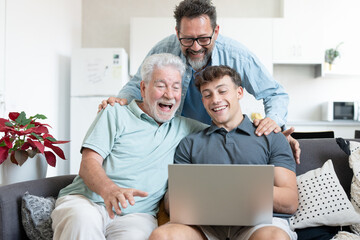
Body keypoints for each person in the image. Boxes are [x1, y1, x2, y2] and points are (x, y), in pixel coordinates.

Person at [98, 0, 301, 163]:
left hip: (218, 138)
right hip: (177, 136)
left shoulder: (237, 55)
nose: (196, 47)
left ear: (216, 31)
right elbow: (137, 84)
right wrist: (120, 101)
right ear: (177, 33)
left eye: (204, 39)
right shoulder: (164, 49)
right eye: (187, 39)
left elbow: (274, 93)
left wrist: (273, 124)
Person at [51, 53, 207, 240]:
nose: (169, 94)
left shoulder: (186, 128)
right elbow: (88, 162)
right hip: (88, 202)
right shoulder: (114, 113)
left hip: (137, 215)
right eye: (160, 85)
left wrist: (253, 123)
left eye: (176, 87)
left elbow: (227, 129)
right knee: (81, 220)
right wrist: (110, 190)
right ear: (143, 88)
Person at [149, 65, 299, 240]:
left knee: (274, 238)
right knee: (163, 236)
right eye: (207, 95)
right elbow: (172, 203)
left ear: (239, 92)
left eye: (222, 91)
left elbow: (290, 202)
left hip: (259, 224)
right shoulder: (189, 143)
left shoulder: (271, 137)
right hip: (204, 225)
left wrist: (239, 188)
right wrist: (174, 198)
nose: (215, 100)